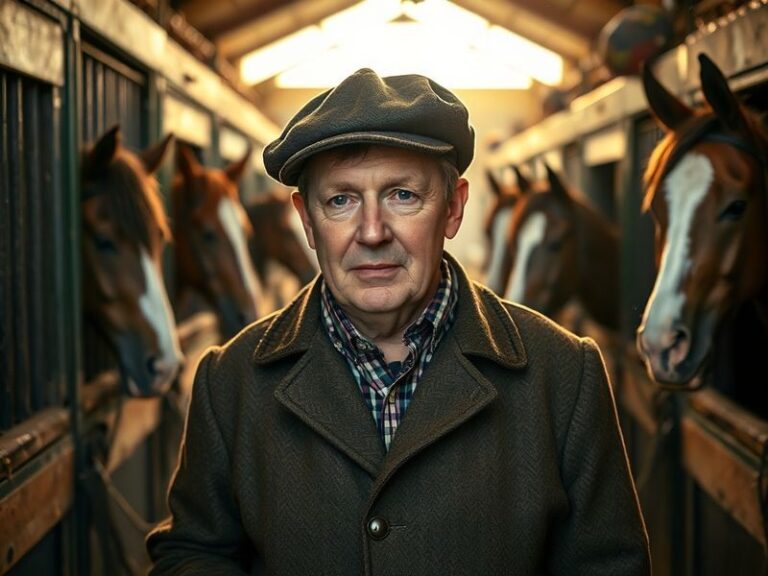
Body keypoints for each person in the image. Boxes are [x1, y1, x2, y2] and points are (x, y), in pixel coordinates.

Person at [147, 68, 651, 575]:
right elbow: (193, 552)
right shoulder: (230, 381)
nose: (371, 232)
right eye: (340, 200)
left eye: (402, 195)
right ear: (306, 221)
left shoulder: (563, 375)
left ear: (453, 208)